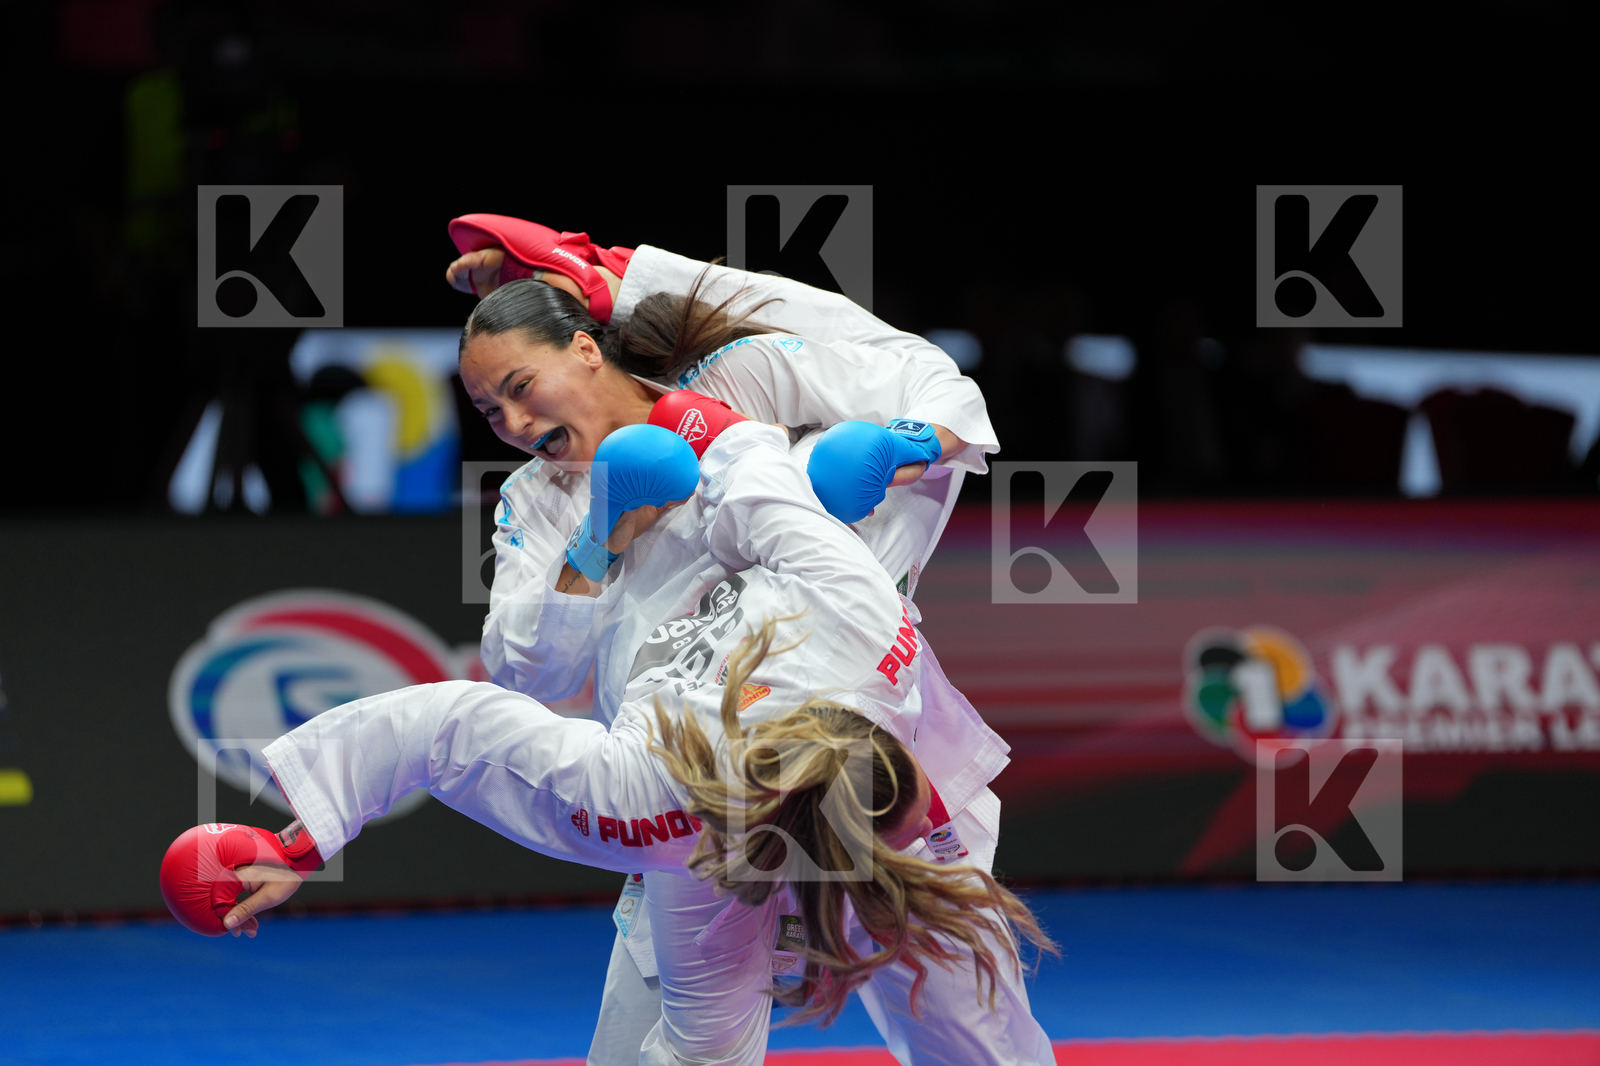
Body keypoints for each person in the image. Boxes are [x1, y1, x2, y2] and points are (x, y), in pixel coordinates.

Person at [174, 413, 1056, 1064]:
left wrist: (734, 436)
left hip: (803, 780)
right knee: (704, 1042)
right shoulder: (653, 796)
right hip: (707, 828)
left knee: (956, 987)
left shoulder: (867, 626)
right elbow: (447, 727)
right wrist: (299, 840)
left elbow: (759, 481)